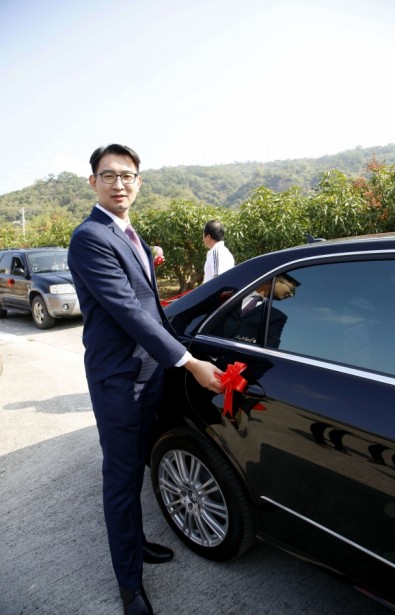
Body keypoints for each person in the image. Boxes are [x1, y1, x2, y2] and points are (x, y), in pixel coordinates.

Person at [67, 144, 223, 615]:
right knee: (120, 478)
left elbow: (152, 308)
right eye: (109, 175)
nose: (119, 184)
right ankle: (129, 584)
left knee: (138, 467)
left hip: (148, 373)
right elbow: (130, 313)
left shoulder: (130, 233)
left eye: (128, 176)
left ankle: (136, 542)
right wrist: (190, 362)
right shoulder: (90, 237)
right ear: (92, 182)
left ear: (139, 181)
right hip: (118, 380)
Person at [223, 273, 300, 347]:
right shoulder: (230, 293)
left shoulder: (276, 317)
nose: (291, 295)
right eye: (292, 289)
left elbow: (271, 345)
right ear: (276, 280)